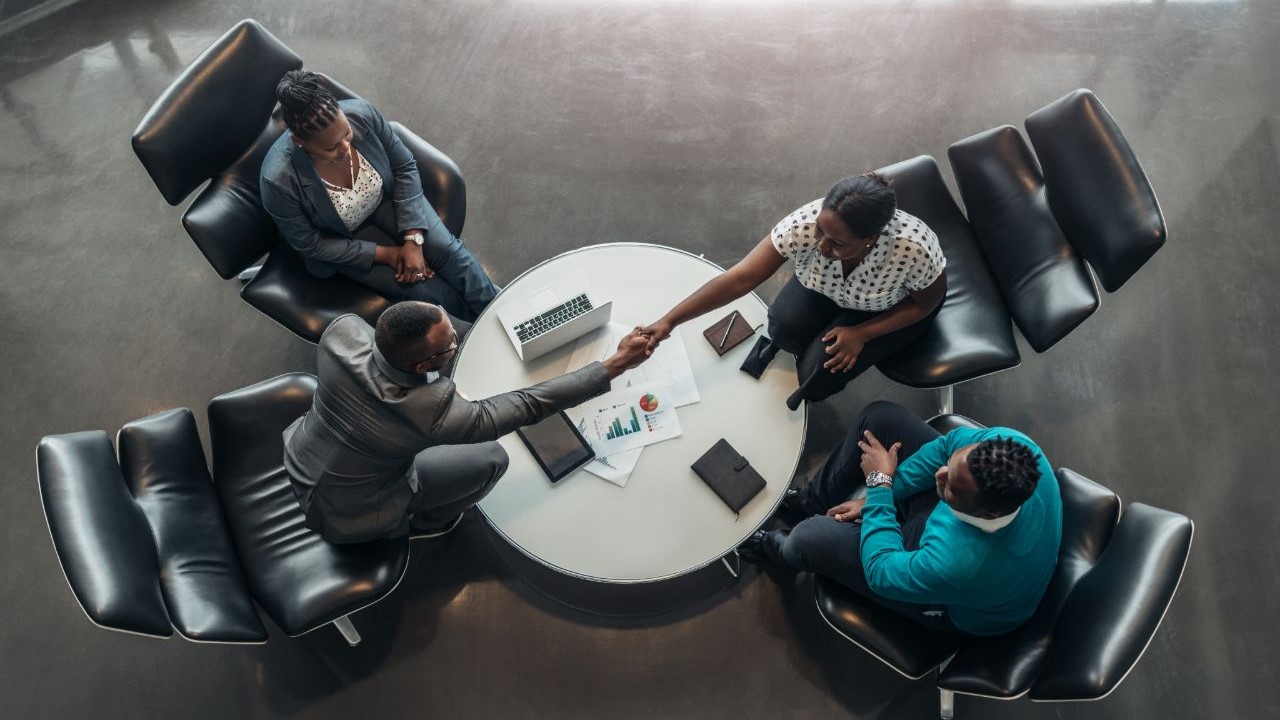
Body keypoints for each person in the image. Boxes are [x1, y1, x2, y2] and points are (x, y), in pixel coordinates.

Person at [283, 302, 652, 544]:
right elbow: (526, 406)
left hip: (301, 455)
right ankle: (426, 524)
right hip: (354, 510)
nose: (456, 341)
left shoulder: (342, 333)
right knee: (492, 458)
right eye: (450, 345)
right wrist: (615, 364)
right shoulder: (431, 411)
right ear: (423, 366)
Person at [741, 401, 1062, 636]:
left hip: (960, 602)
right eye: (951, 467)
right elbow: (943, 448)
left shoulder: (955, 562)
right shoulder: (1015, 448)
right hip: (960, 538)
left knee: (807, 538)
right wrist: (876, 498)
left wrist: (880, 485)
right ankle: (812, 501)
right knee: (879, 418)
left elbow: (881, 570)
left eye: (951, 486)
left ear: (987, 512)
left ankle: (774, 549)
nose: (941, 475)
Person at [642, 173, 946, 410]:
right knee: (783, 326)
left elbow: (924, 306)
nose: (823, 246)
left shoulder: (913, 249)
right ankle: (783, 347)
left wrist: (863, 333)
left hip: (885, 308)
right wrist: (669, 321)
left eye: (837, 243)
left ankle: (808, 386)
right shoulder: (806, 223)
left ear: (870, 239)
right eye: (820, 232)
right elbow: (742, 277)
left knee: (820, 373)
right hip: (822, 288)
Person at [260, 70, 497, 322]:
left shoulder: (362, 114)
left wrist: (412, 240)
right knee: (424, 290)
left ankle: (501, 312)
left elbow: (404, 166)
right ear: (299, 141)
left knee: (449, 253)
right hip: (342, 235)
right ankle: (477, 332)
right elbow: (311, 244)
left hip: (386, 200)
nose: (345, 148)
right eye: (331, 147)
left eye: (347, 134)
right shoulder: (278, 181)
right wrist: (389, 254)